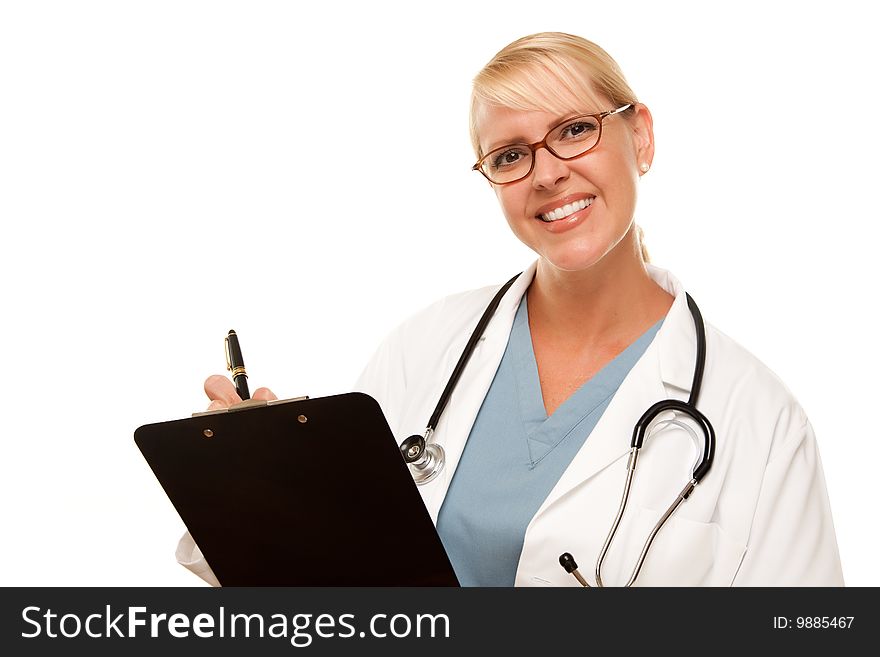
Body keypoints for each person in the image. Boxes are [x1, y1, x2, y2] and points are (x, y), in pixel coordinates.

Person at [177, 32, 843, 587]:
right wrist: (251, 482)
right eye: (511, 155)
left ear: (639, 135)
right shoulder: (426, 346)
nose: (547, 173)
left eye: (575, 130)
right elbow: (326, 586)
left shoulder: (760, 419)